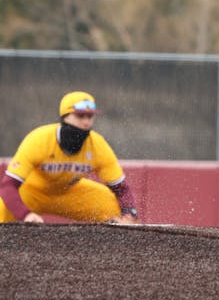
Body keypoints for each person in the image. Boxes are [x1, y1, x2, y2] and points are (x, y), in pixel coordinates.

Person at [0, 91, 139, 224]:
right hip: (33, 192)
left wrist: (129, 213)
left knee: (115, 210)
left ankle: (106, 241)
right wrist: (25, 214)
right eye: (80, 116)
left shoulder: (98, 145)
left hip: (68, 193)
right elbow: (8, 186)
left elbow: (121, 189)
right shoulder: (39, 139)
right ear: (64, 117)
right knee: (3, 208)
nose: (86, 122)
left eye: (90, 116)